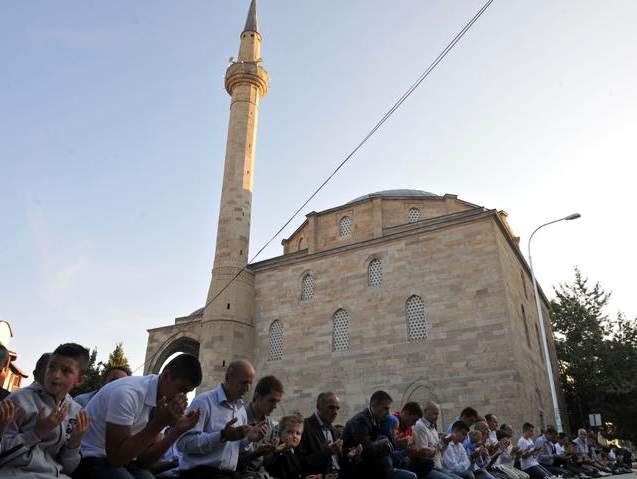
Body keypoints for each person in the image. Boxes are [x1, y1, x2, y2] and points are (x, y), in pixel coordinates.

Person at [75, 353, 202, 479]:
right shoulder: (128, 394)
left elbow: (143, 462)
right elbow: (116, 458)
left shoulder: (162, 401)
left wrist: (177, 430)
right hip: (89, 457)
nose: (182, 397)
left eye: (187, 393)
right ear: (166, 375)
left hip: (123, 461)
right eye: (180, 389)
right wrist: (159, 423)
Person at [0, 343, 90, 478]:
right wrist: (36, 433)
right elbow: (2, 454)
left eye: (66, 370)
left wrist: (74, 444)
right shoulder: (19, 401)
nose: (55, 375)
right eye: (51, 367)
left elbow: (68, 469)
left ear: (79, 380)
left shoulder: (76, 412)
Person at [177, 359, 268, 479]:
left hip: (228, 474)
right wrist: (221, 436)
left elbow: (233, 449)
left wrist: (249, 439)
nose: (247, 389)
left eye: (250, 383)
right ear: (227, 377)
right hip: (200, 473)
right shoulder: (204, 402)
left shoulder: (241, 410)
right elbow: (184, 443)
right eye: (243, 383)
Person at [341, 390, 414, 479]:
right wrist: (394, 445)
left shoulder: (376, 419)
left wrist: (395, 443)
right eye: (385, 408)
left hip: (369, 463)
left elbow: (377, 445)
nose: (388, 413)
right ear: (374, 406)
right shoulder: (361, 421)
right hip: (353, 465)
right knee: (386, 462)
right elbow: (367, 451)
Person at [237, 375, 285, 479]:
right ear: (258, 396)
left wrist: (275, 453)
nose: (275, 406)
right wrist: (256, 453)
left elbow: (265, 463)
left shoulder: (270, 426)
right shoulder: (238, 420)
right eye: (272, 400)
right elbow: (231, 463)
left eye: (278, 402)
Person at [298, 392, 344, 477]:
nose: (335, 412)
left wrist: (350, 457)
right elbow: (300, 462)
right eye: (331, 407)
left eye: (337, 408)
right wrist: (324, 453)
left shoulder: (335, 431)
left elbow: (338, 461)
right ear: (318, 406)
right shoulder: (303, 427)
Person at [413, 401, 461, 479]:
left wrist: (446, 442)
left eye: (438, 414)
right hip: (427, 469)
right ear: (425, 412)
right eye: (434, 414)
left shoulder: (433, 428)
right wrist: (442, 442)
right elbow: (424, 454)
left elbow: (440, 452)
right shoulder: (420, 426)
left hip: (438, 467)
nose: (437, 417)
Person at [265, 414, 323, 479]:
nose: (294, 436)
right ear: (281, 433)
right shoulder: (277, 453)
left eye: (298, 433)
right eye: (290, 432)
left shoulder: (295, 451)